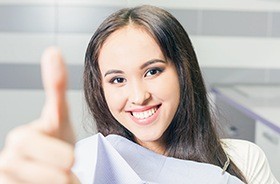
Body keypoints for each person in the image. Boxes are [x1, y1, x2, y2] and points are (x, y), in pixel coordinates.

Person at [0, 5, 278, 184]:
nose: (138, 96)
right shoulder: (80, 168)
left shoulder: (241, 161)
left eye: (153, 72)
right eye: (117, 79)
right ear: (101, 90)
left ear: (183, 71)